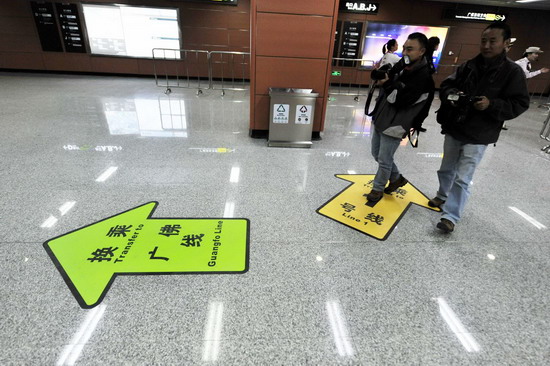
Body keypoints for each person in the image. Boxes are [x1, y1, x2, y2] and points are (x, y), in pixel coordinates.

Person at [430, 22, 530, 233]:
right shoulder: (468, 66)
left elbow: (520, 103)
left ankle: (450, 216)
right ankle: (442, 195)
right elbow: (447, 85)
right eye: (484, 41)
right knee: (446, 168)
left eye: (493, 41)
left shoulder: (512, 72)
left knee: (463, 177)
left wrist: (491, 105)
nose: (486, 45)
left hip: (481, 133)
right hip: (456, 126)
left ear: (505, 43)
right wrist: (452, 96)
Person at [366, 32, 435, 203]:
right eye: (404, 48)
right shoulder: (403, 65)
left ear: (422, 51)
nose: (405, 52)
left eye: (410, 49)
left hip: (397, 122)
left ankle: (378, 188)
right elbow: (390, 81)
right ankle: (396, 178)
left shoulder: (424, 76)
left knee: (384, 159)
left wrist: (388, 84)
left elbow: (401, 100)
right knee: (376, 154)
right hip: (383, 116)